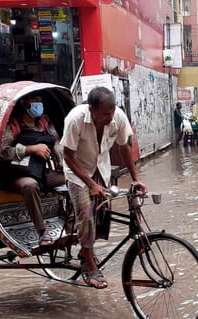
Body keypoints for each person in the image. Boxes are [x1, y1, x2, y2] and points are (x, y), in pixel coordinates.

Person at [61, 86, 147, 289]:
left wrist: (135, 178)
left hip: (101, 168)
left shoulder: (117, 117)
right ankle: (90, 265)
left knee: (103, 214)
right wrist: (90, 184)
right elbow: (67, 156)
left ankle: (86, 249)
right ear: (91, 109)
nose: (110, 117)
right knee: (86, 213)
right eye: (105, 113)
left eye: (112, 111)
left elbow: (124, 147)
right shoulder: (76, 119)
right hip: (77, 171)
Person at [0, 93, 65, 247]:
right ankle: (42, 232)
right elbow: (3, 152)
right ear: (24, 103)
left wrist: (61, 162)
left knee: (73, 178)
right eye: (34, 101)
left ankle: (69, 221)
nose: (38, 104)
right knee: (30, 185)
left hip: (40, 171)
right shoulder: (13, 125)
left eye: (40, 101)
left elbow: (56, 142)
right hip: (16, 174)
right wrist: (31, 149)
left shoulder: (44, 122)